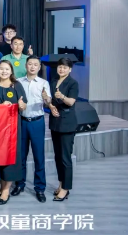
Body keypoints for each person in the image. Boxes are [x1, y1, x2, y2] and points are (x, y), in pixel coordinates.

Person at [13, 56, 51, 202]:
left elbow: (48, 102)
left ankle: (40, 188)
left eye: (36, 64)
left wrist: (46, 98)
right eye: (30, 64)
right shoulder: (18, 82)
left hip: (37, 122)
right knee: (21, 156)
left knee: (38, 157)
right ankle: (19, 184)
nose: (33, 67)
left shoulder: (43, 83)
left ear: (39, 67)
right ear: (26, 66)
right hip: (22, 122)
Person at [0, 60, 27, 205]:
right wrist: (0, 106)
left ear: (11, 71)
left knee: (10, 156)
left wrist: (21, 105)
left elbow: (23, 105)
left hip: (12, 128)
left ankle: (6, 190)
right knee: (0, 157)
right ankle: (2, 187)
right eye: (1, 69)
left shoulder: (16, 85)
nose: (4, 71)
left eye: (7, 69)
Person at [48, 57, 79, 202]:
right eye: (60, 67)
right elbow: (50, 100)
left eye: (65, 67)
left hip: (67, 123)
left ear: (70, 69)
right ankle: (61, 184)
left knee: (65, 158)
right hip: (55, 122)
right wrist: (50, 105)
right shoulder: (53, 81)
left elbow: (71, 102)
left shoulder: (73, 83)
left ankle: (66, 188)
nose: (61, 69)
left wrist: (62, 96)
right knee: (58, 156)